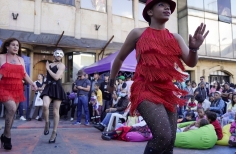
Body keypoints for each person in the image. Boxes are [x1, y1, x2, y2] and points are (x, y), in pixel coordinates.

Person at [108, 0, 209, 152]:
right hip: (145, 89)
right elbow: (119, 58)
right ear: (150, 12)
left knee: (169, 143)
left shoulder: (175, 37)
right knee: (163, 136)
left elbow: (191, 62)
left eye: (168, 6)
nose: (167, 7)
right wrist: (111, 82)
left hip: (167, 92)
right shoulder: (138, 33)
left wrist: (194, 49)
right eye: (161, 4)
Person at [0, 38, 37, 150]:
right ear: (7, 46)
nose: (16, 47)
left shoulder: (21, 59)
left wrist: (32, 84)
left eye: (17, 45)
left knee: (12, 113)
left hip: (17, 88)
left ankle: (4, 135)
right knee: (11, 109)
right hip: (4, 87)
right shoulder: (1, 57)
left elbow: (24, 74)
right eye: (13, 45)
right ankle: (8, 136)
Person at [41, 48, 66, 144]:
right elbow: (47, 78)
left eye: (60, 54)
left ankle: (54, 132)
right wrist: (41, 86)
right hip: (48, 87)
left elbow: (56, 77)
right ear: (54, 55)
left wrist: (47, 69)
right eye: (57, 54)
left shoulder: (62, 65)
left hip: (57, 88)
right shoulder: (50, 64)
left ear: (62, 56)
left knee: (56, 112)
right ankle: (47, 123)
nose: (59, 55)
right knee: (45, 105)